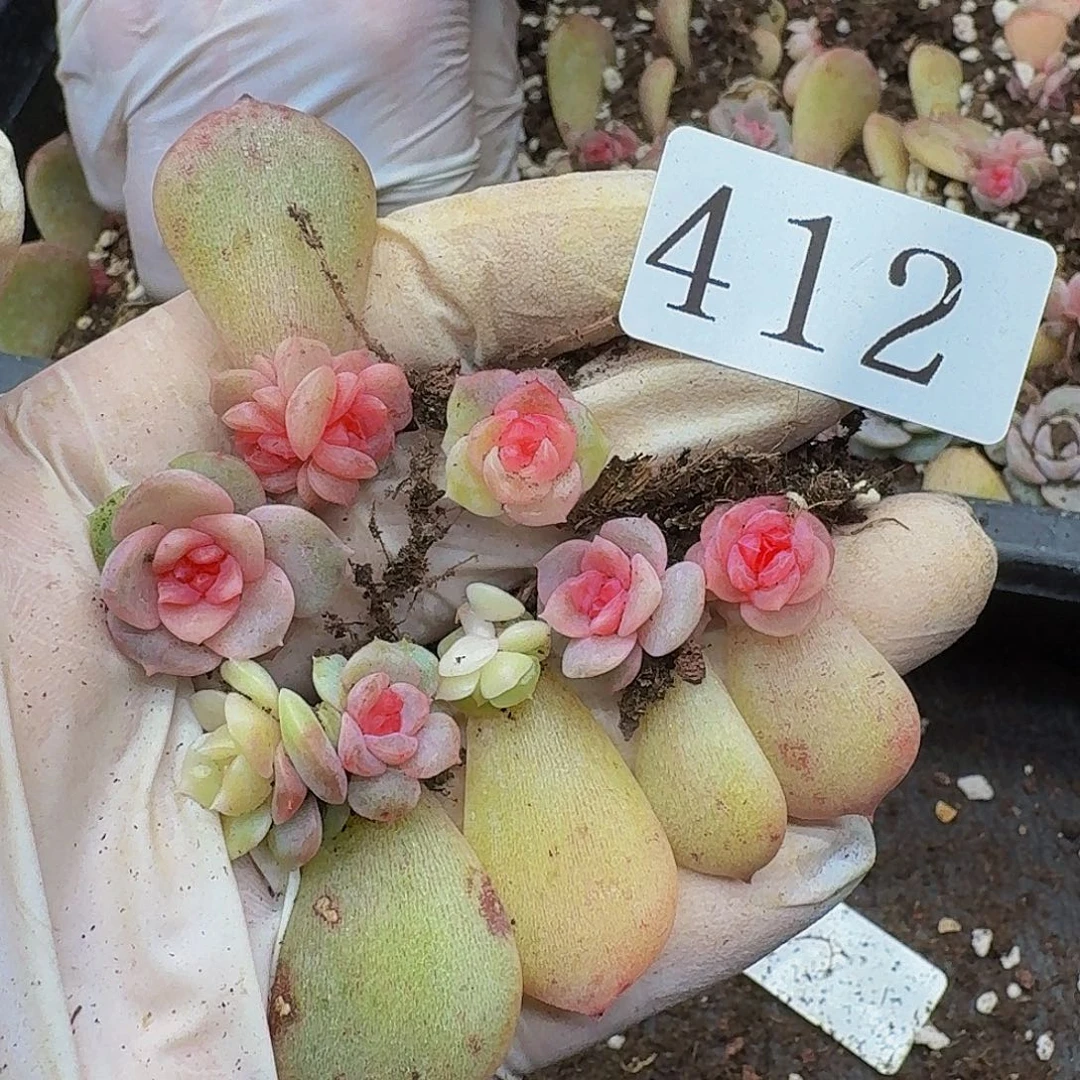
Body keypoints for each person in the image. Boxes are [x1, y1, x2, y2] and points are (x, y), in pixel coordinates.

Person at [54, 0, 526, 299]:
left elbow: (108, 188)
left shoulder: (108, 17)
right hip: (425, 266)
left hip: (192, 296)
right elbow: (496, 105)